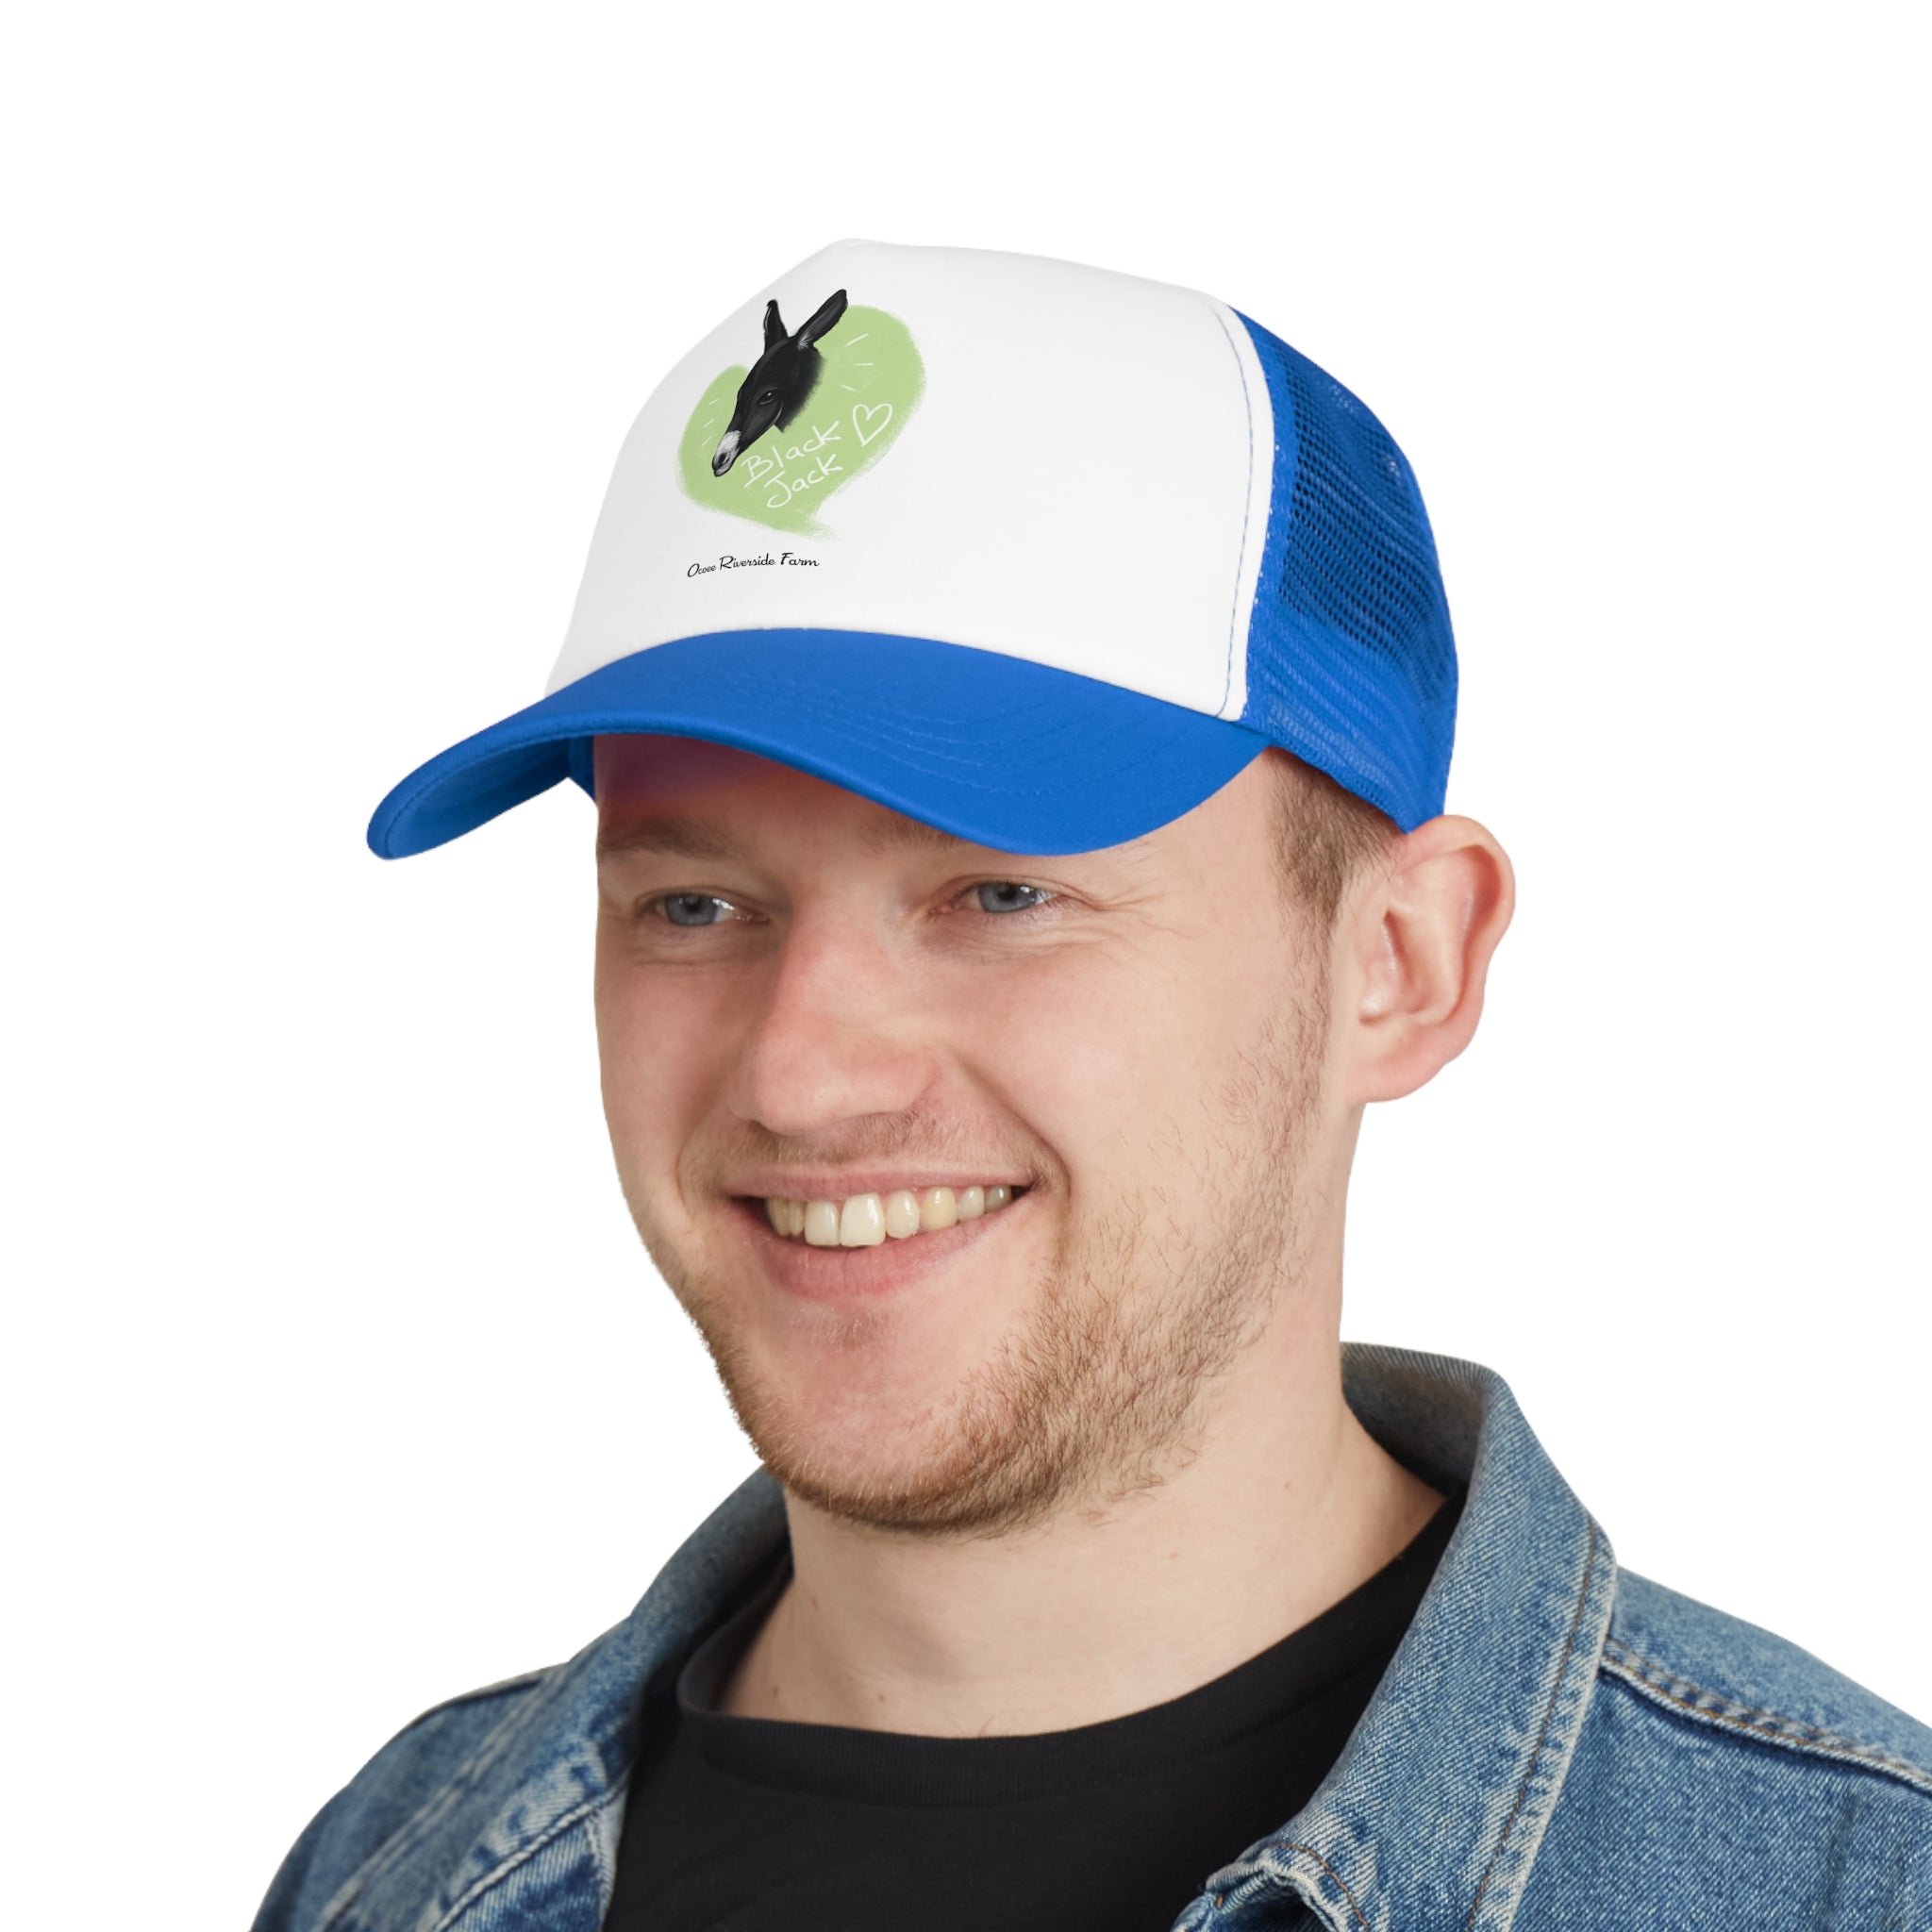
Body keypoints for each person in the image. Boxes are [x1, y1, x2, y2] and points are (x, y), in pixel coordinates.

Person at [252, 241, 1931, 1932]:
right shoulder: (389, 1867)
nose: (802, 1072)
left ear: (1404, 963)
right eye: (695, 906)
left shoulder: (1856, 1889)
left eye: (1002, 893)